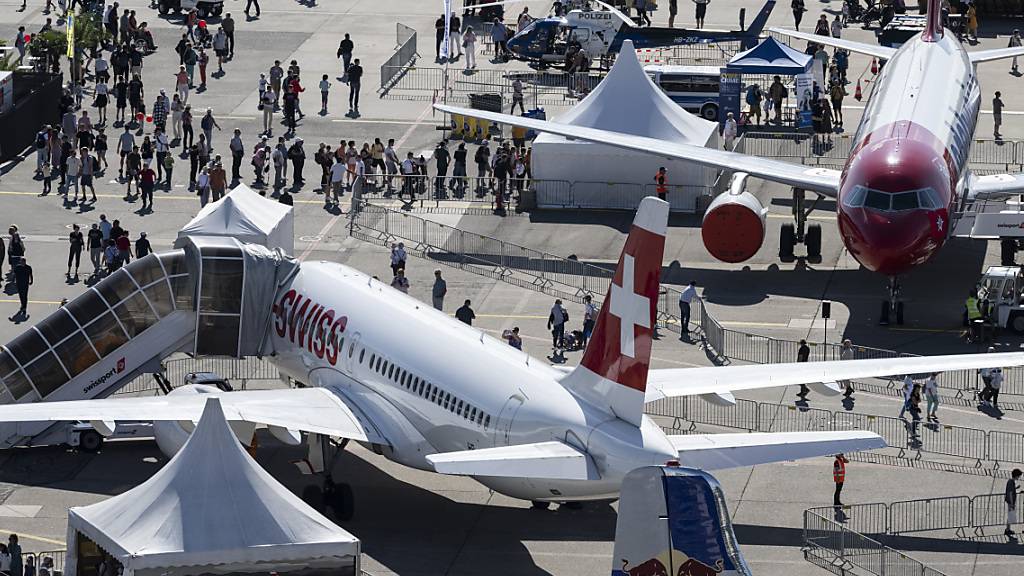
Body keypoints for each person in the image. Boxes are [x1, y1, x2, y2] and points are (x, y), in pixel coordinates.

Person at [1007, 469, 1022, 537]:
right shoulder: (1011, 482)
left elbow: (1011, 490)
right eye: (1018, 476)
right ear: (1016, 476)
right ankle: (1007, 530)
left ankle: (1008, 529)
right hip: (1010, 502)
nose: (1018, 478)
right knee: (1010, 516)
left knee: (1010, 516)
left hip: (1010, 501)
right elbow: (1010, 493)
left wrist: (1016, 488)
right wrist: (1012, 503)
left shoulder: (1011, 481)